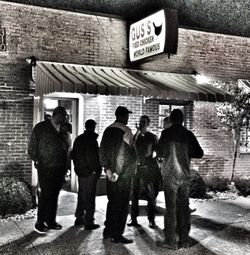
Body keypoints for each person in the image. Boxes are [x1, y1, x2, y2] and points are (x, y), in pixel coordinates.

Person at [156, 109, 203, 250]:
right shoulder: (188, 135)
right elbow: (199, 153)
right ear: (182, 120)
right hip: (184, 176)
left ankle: (171, 241)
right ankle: (184, 240)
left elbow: (159, 152)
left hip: (170, 176)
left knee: (171, 209)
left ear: (170, 119)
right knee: (184, 208)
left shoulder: (166, 133)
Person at [28, 106, 69, 234]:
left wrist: (66, 167)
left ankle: (51, 221)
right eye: (64, 116)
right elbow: (32, 147)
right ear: (57, 115)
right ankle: (40, 222)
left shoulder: (63, 129)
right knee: (45, 195)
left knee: (55, 195)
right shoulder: (41, 128)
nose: (65, 119)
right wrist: (37, 160)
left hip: (59, 168)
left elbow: (66, 147)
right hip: (45, 167)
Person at [99, 106, 136, 244]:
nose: (128, 118)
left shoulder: (107, 130)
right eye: (127, 115)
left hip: (110, 174)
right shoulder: (126, 131)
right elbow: (123, 153)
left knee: (112, 202)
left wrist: (107, 169)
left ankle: (107, 230)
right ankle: (117, 235)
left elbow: (101, 151)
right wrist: (118, 172)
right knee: (122, 205)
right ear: (123, 116)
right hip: (122, 175)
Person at [127, 115, 161, 229]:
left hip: (148, 167)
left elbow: (158, 152)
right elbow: (130, 148)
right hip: (136, 167)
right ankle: (134, 217)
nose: (141, 124)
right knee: (134, 194)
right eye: (140, 122)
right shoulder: (135, 136)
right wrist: (137, 132)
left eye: (144, 122)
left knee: (150, 194)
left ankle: (151, 219)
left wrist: (154, 161)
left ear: (148, 124)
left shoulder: (152, 137)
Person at [71, 119, 102, 230]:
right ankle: (89, 221)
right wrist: (95, 170)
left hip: (81, 172)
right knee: (90, 197)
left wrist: (77, 168)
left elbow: (73, 155)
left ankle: (79, 218)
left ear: (85, 126)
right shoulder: (92, 140)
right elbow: (94, 157)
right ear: (93, 127)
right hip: (90, 173)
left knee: (82, 195)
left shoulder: (78, 139)